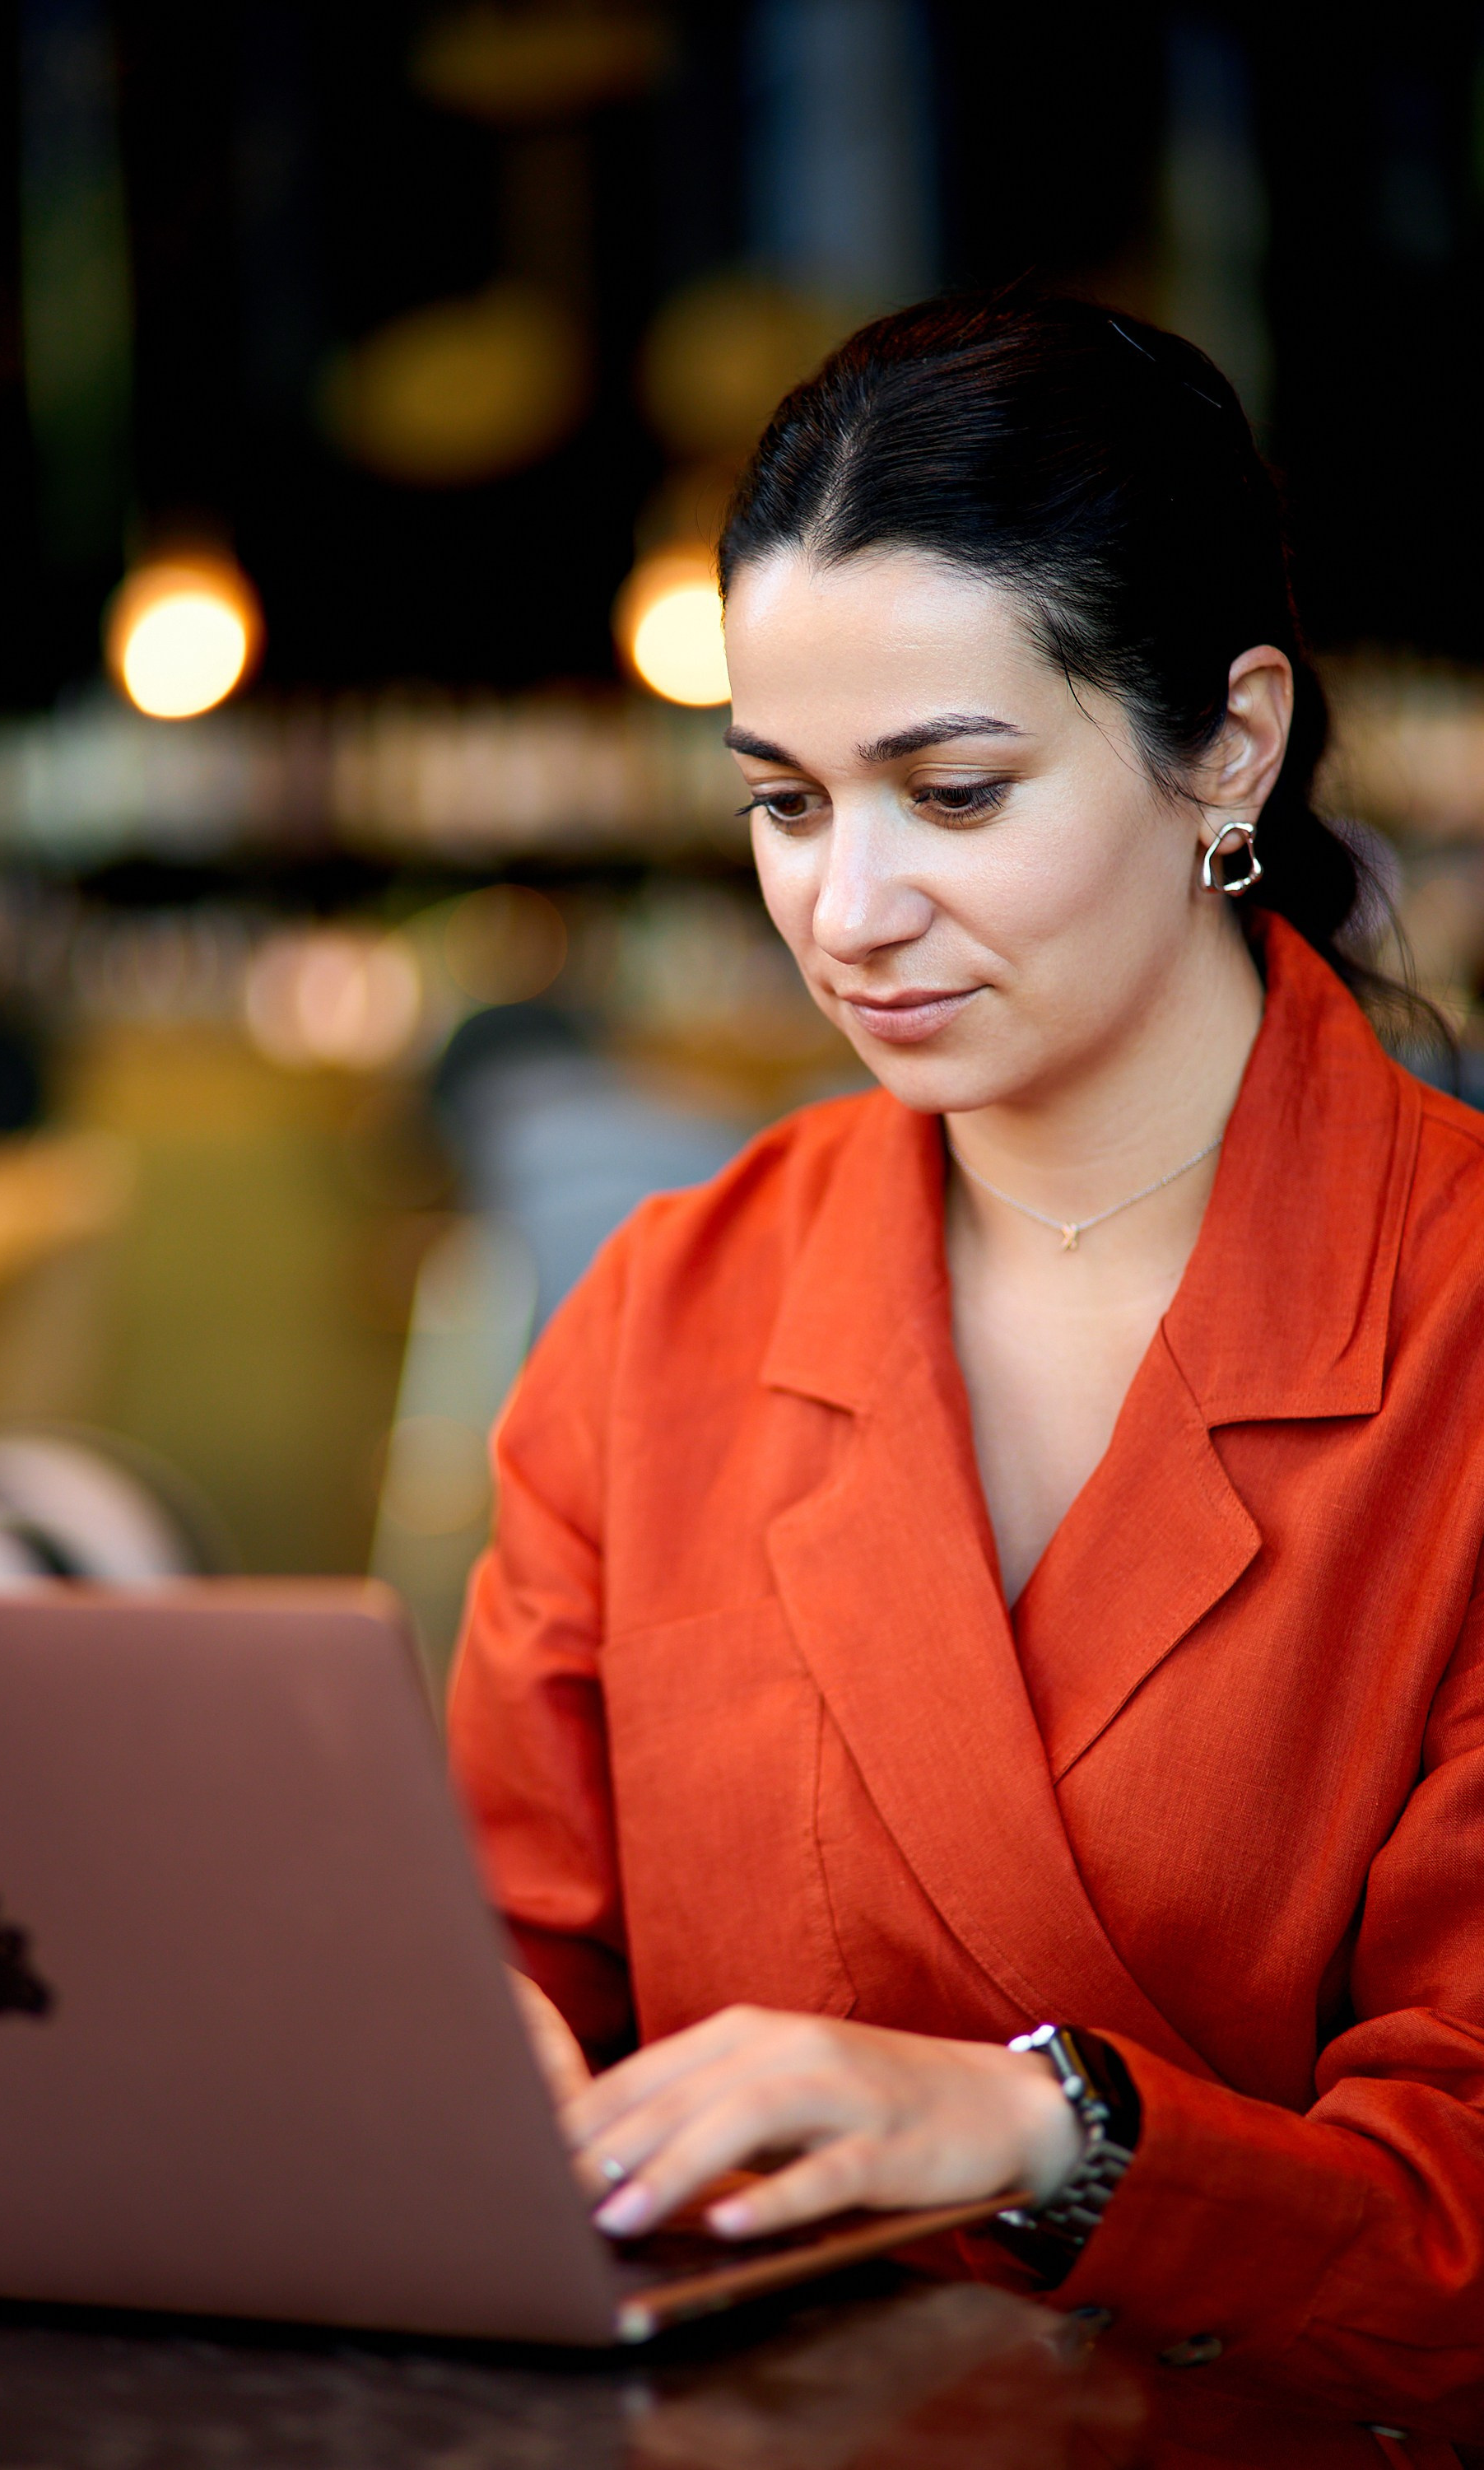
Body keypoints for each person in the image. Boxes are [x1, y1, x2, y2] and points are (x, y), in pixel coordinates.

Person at [448, 295, 1484, 2465]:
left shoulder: (1455, 1318)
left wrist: (1044, 2135)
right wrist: (467, 2071)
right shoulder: (668, 1314)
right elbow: (498, 1947)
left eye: (952, 790)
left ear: (1228, 745)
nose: (848, 909)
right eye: (785, 804)